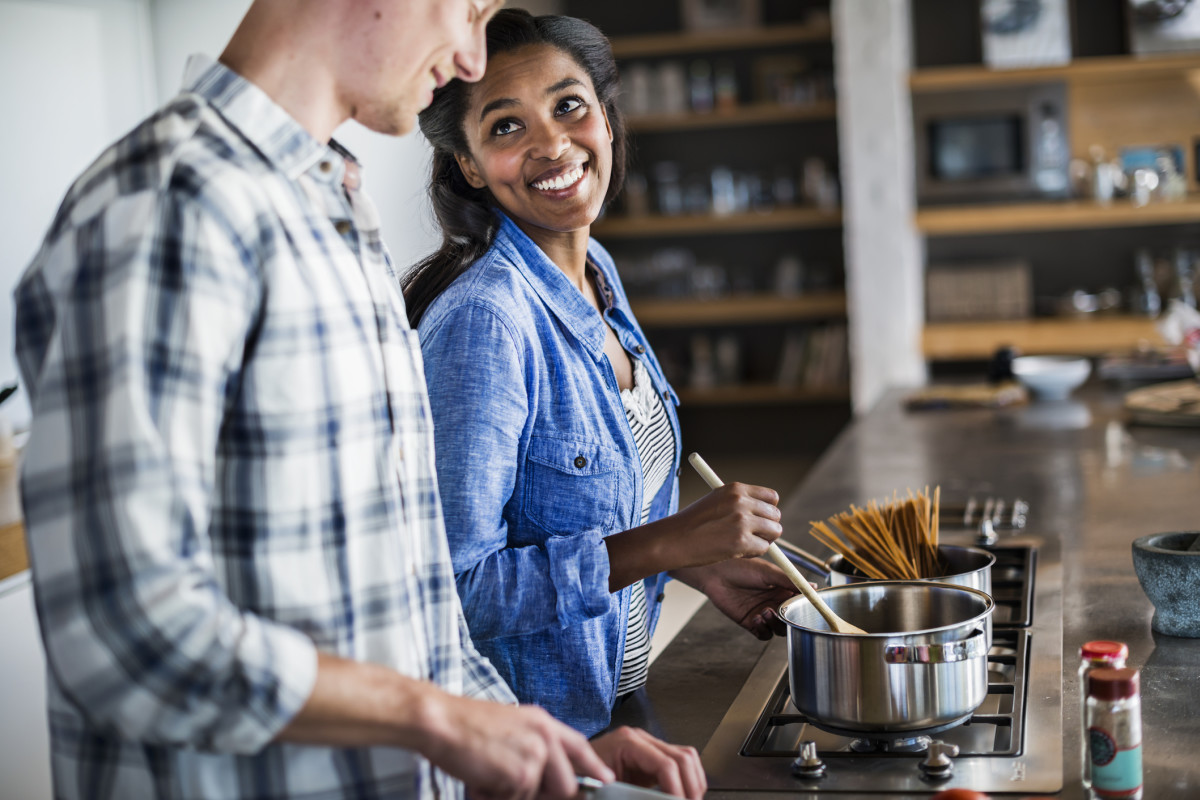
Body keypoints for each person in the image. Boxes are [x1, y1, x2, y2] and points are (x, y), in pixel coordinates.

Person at [13, 2, 705, 798]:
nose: (472, 55)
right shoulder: (169, 206)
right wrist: (439, 721)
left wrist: (556, 757)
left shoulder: (331, 211)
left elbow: (414, 611)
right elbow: (124, 632)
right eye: (470, 8)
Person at [405, 8, 797, 738]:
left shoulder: (597, 272)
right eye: (505, 127)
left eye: (568, 107)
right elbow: (457, 592)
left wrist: (698, 566)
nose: (553, 145)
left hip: (615, 703)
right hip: (540, 741)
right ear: (468, 164)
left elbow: (596, 513)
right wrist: (666, 544)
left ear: (606, 121)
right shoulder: (485, 324)